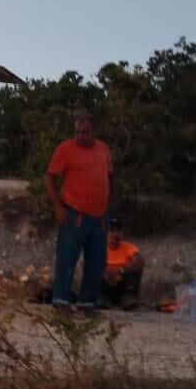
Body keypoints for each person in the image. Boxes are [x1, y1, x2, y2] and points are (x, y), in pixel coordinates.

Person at [44, 111, 113, 319]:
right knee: (66, 259)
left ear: (94, 131)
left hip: (99, 217)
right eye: (77, 132)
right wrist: (58, 207)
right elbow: (49, 178)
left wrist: (109, 203)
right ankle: (61, 303)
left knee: (96, 261)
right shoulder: (66, 149)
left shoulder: (103, 149)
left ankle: (86, 304)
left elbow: (110, 175)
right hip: (75, 213)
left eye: (85, 132)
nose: (81, 136)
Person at [101, 218, 143, 310]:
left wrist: (121, 271)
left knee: (135, 267)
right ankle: (101, 298)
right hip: (105, 284)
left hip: (121, 284)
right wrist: (106, 274)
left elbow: (139, 260)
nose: (115, 234)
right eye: (111, 230)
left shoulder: (128, 247)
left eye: (118, 230)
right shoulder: (100, 247)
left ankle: (128, 297)